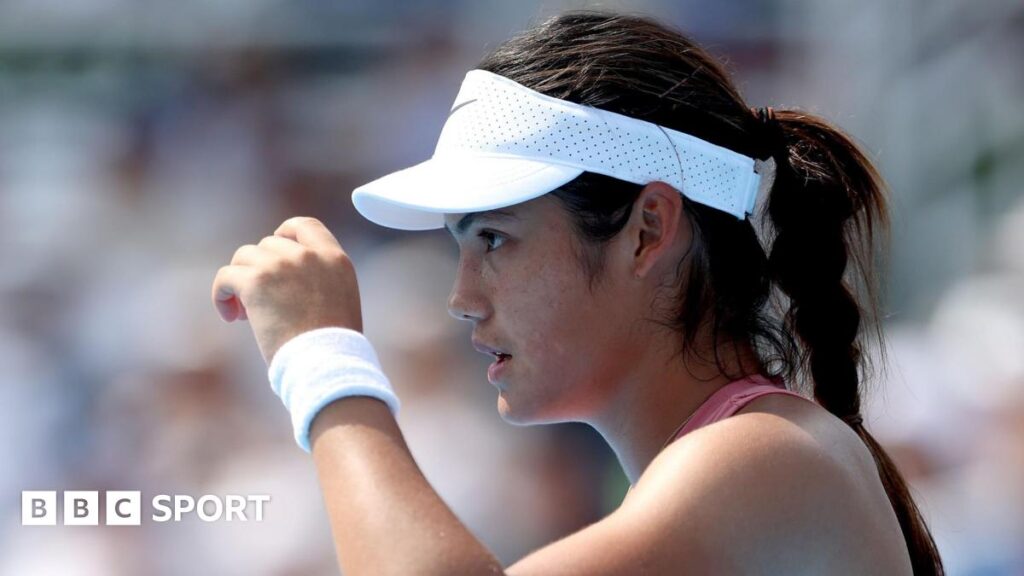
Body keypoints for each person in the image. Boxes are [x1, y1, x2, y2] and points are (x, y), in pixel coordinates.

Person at [211, 12, 944, 575]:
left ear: (648, 230)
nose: (461, 297)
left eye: (495, 239)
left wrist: (322, 360)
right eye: (458, 246)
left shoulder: (764, 455)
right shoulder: (747, 460)